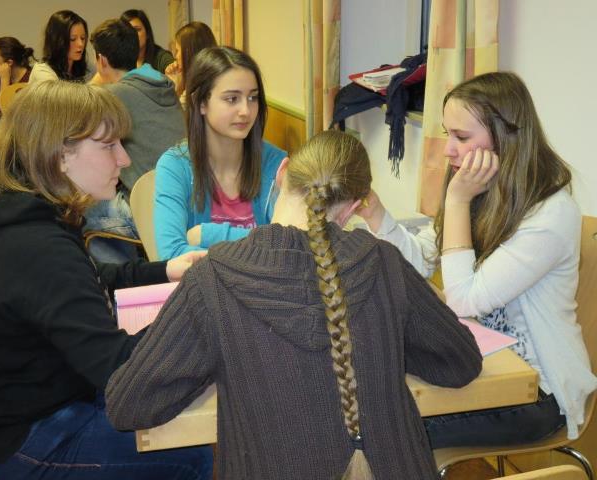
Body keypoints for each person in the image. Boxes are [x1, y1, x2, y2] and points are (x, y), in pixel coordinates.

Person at [106, 130, 483, 479]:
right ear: (352, 208)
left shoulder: (212, 279)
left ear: (282, 172)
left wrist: (208, 364)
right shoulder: (384, 261)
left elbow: (129, 404)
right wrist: (385, 349)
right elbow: (460, 362)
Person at [0, 81, 213, 479]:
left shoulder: (25, 212)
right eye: (109, 145)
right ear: (60, 155)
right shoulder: (35, 246)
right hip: (9, 442)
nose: (124, 159)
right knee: (191, 455)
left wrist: (165, 270)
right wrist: (200, 317)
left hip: (22, 407)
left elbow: (86, 278)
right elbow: (118, 369)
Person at [357, 71, 597, 447]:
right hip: (479, 362)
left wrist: (456, 201)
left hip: (539, 390)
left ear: (506, 138)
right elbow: (421, 262)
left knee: (379, 433)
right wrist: (376, 215)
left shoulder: (551, 214)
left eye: (462, 137)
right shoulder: (482, 189)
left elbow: (463, 300)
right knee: (367, 402)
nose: (448, 150)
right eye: (448, 134)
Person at [154, 46, 286, 260]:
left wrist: (206, 234)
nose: (246, 111)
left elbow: (288, 246)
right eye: (232, 99)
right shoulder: (174, 166)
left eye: (252, 98)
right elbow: (172, 255)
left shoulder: (276, 163)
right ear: (200, 103)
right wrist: (257, 251)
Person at [85, 18, 186, 263]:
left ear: (101, 60)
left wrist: (100, 77)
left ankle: (127, 277)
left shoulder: (113, 96)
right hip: (187, 203)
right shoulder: (160, 83)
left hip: (154, 210)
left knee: (83, 209)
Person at [165, 21, 217, 108]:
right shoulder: (208, 76)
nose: (175, 56)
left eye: (177, 51)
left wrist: (176, 89)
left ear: (189, 52)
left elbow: (176, 114)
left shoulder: (200, 87)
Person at [30, 10, 89, 83]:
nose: (81, 44)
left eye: (83, 38)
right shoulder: (42, 70)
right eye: (73, 39)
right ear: (57, 41)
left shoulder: (87, 69)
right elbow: (59, 91)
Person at [121, 9, 173, 74]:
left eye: (137, 29)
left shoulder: (162, 58)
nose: (132, 34)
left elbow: (175, 72)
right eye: (127, 30)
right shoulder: (119, 59)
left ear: (147, 33)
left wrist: (171, 69)